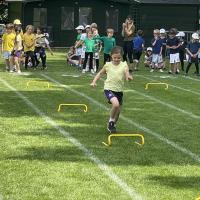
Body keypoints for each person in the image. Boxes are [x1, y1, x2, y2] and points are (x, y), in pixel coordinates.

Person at [90, 46, 133, 133]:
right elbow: (100, 73)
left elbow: (126, 72)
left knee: (118, 111)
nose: (116, 59)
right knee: (116, 104)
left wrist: (128, 76)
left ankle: (112, 124)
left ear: (122, 56)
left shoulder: (124, 64)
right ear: (111, 56)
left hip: (119, 90)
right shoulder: (108, 65)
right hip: (109, 88)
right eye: (114, 58)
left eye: (119, 58)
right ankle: (111, 121)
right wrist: (94, 81)